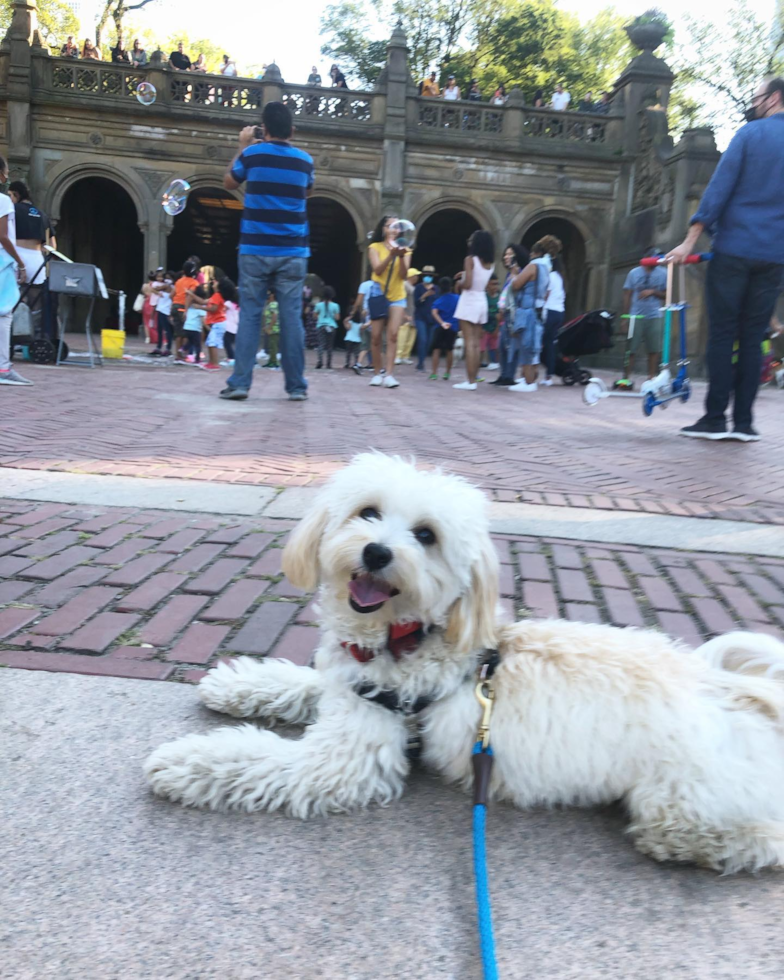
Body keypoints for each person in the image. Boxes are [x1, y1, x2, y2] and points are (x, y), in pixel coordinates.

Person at [667, 77, 784, 441]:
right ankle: (745, 423)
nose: (754, 103)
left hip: (734, 249)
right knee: (752, 338)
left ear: (774, 98)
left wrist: (689, 241)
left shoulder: (749, 135)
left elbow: (718, 190)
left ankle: (715, 418)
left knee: (721, 335)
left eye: (757, 97)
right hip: (774, 256)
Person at [221, 106, 311, 400]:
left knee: (250, 316)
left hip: (255, 249)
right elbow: (307, 191)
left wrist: (243, 146)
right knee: (291, 318)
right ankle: (296, 387)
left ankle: (240, 384)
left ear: (264, 128)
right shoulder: (305, 161)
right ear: (293, 131)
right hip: (293, 251)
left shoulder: (252, 155)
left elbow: (230, 182)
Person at [367, 214, 411, 388]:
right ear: (383, 229)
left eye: (396, 226)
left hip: (398, 294)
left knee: (393, 335)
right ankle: (377, 372)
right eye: (389, 226)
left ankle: (389, 374)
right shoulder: (374, 247)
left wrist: (400, 256)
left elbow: (404, 275)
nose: (393, 229)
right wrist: (390, 255)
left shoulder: (405, 249)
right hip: (379, 291)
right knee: (376, 336)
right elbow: (377, 270)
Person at [0, 154, 31, 387]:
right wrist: (20, 262)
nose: (8, 175)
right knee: (5, 313)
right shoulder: (3, 201)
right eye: (7, 170)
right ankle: (3, 367)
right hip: (2, 262)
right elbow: (2, 236)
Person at [452, 231, 495, 390]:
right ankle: (473, 380)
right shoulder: (490, 263)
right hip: (481, 300)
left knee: (469, 343)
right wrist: (465, 275)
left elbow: (468, 283)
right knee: (476, 344)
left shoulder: (469, 259)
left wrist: (459, 284)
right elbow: (478, 278)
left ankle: (469, 381)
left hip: (469, 300)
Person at [621, 248, 667, 380]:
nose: (656, 261)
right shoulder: (634, 273)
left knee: (654, 348)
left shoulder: (664, 273)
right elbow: (627, 295)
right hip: (636, 315)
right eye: (654, 258)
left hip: (655, 315)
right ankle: (626, 378)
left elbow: (667, 295)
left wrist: (653, 292)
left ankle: (651, 377)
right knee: (630, 348)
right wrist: (625, 317)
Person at [490, 243, 529, 386]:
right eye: (505, 254)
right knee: (502, 345)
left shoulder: (521, 272)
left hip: (515, 313)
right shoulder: (509, 273)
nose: (506, 257)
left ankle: (509, 376)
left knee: (512, 345)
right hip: (506, 313)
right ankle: (504, 374)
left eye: (509, 254)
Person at [508, 249, 543, 392]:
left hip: (527, 311)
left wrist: (514, 274)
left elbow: (515, 285)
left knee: (526, 347)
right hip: (535, 310)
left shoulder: (532, 267)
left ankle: (529, 383)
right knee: (532, 348)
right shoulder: (545, 269)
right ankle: (529, 380)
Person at [541, 255, 567, 385]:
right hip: (559, 312)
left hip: (550, 312)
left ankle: (529, 375)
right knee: (550, 344)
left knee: (539, 343)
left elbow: (546, 294)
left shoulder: (550, 276)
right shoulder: (559, 277)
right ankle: (549, 376)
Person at [429, 277, 459, 380]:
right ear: (451, 287)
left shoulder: (438, 301)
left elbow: (434, 313)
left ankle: (434, 373)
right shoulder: (457, 298)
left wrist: (442, 322)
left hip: (440, 327)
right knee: (449, 350)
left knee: (436, 349)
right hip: (453, 327)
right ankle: (447, 372)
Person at [170, 260, 200, 362]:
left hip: (175, 306)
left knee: (178, 333)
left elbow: (171, 295)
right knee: (187, 333)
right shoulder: (194, 283)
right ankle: (185, 354)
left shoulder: (179, 281)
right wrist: (186, 311)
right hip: (183, 307)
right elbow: (189, 297)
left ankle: (178, 356)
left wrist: (174, 304)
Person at [414, 264, 438, 371]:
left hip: (432, 318)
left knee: (429, 342)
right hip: (420, 317)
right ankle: (420, 363)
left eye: (430, 275)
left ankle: (422, 359)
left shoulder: (436, 289)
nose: (427, 277)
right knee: (422, 339)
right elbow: (416, 303)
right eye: (426, 275)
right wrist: (424, 296)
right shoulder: (418, 288)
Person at [395, 267, 420, 365]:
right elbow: (402, 299)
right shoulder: (405, 285)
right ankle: (398, 355)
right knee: (402, 336)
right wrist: (404, 314)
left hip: (413, 315)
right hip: (406, 315)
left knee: (411, 337)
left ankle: (405, 355)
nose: (417, 277)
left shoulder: (413, 287)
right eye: (416, 275)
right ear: (411, 276)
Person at [202, 279, 227, 370]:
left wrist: (200, 307)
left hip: (218, 322)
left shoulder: (217, 295)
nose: (214, 283)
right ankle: (211, 362)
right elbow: (204, 302)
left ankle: (215, 363)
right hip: (217, 323)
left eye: (216, 282)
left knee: (213, 343)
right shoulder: (216, 295)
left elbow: (213, 309)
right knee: (210, 342)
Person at [314, 285, 340, 369]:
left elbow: (314, 316)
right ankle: (329, 363)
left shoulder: (318, 305)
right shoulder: (335, 306)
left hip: (321, 326)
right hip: (331, 326)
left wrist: (321, 318)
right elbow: (337, 318)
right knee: (329, 346)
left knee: (321, 344)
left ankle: (320, 361)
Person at [182, 283, 208, 363]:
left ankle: (183, 348)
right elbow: (203, 321)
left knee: (190, 341)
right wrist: (208, 329)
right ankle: (197, 359)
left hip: (187, 327)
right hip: (195, 329)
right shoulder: (201, 309)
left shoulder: (191, 307)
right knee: (198, 344)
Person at [150, 271, 174, 356]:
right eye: (166, 278)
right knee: (159, 329)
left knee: (167, 331)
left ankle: (168, 348)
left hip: (166, 311)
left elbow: (155, 288)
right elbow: (153, 289)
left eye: (169, 278)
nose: (167, 280)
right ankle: (158, 347)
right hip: (160, 309)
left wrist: (157, 289)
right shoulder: (164, 286)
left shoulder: (171, 287)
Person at [481, 275, 500, 370]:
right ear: (487, 285)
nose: (495, 287)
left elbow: (501, 315)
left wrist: (497, 328)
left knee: (494, 346)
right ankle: (481, 362)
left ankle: (494, 362)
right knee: (482, 346)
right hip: (484, 327)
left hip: (495, 326)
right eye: (493, 284)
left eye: (497, 284)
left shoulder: (500, 298)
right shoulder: (484, 297)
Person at [218, 278, 239, 365]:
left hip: (229, 326)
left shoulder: (228, 303)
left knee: (227, 342)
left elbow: (222, 311)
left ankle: (231, 358)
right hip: (235, 326)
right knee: (230, 342)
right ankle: (232, 357)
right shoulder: (236, 303)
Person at [342, 304, 363, 369]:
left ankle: (347, 363)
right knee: (356, 353)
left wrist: (348, 319)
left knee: (348, 352)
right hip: (357, 339)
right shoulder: (360, 323)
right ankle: (356, 363)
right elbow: (361, 332)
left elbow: (348, 327)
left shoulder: (350, 322)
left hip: (349, 338)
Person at [263, 290, 280, 367]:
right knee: (271, 345)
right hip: (272, 328)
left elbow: (274, 317)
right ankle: (271, 361)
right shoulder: (271, 304)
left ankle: (274, 362)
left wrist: (269, 327)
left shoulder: (273, 304)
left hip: (273, 329)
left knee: (273, 346)